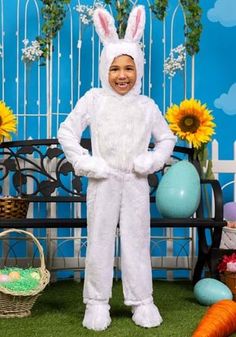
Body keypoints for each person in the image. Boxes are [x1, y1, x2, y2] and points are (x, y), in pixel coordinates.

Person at [58, 5, 177, 331]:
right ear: (104, 70)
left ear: (138, 68)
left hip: (136, 183)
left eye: (129, 67)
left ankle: (142, 301)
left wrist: (152, 161)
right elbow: (67, 132)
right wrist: (85, 162)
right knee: (98, 241)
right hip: (103, 181)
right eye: (114, 68)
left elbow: (167, 139)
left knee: (137, 241)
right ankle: (96, 304)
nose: (122, 75)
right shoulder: (93, 100)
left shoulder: (146, 106)